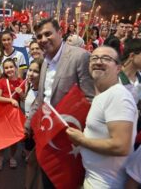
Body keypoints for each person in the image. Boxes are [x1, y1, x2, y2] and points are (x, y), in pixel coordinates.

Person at [26, 18, 94, 188]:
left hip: (68, 138)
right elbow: (42, 98)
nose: (43, 39)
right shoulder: (45, 61)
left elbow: (90, 98)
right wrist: (27, 125)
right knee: (47, 176)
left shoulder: (80, 56)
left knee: (63, 182)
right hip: (46, 134)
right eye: (39, 36)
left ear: (60, 32)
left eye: (48, 34)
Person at [66, 46, 138, 188]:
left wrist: (81, 140)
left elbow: (121, 146)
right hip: (96, 179)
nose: (98, 62)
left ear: (118, 68)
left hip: (107, 183)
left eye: (106, 58)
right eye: (94, 58)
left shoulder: (118, 95)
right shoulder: (105, 95)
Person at [0, 58, 25, 170]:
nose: (9, 69)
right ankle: (0, 157)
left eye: (11, 67)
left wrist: (21, 92)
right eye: (6, 68)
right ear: (4, 69)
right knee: (1, 136)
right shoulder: (2, 81)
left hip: (14, 114)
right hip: (3, 113)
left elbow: (23, 98)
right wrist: (10, 100)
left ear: (15, 67)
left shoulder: (20, 81)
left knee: (14, 137)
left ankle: (12, 157)